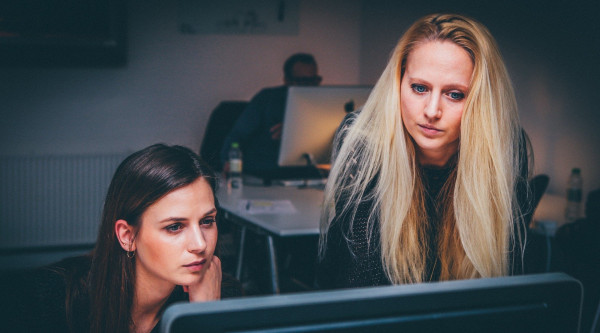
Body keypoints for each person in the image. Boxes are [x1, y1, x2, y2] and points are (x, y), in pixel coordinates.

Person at [318, 13, 532, 289]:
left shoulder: (506, 148)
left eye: (455, 94)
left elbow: (502, 280)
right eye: (419, 88)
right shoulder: (364, 141)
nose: (432, 111)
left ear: (482, 101)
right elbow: (364, 278)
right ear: (398, 84)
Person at [3, 144, 241, 332]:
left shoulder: (219, 296)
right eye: (175, 227)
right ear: (127, 236)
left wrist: (204, 317)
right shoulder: (47, 301)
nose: (200, 245)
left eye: (207, 221)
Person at [220, 53, 322, 174]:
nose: (309, 87)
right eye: (303, 81)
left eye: (314, 80)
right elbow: (237, 135)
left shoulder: (321, 105)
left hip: (307, 172)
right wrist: (229, 162)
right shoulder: (267, 99)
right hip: (265, 172)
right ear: (287, 81)